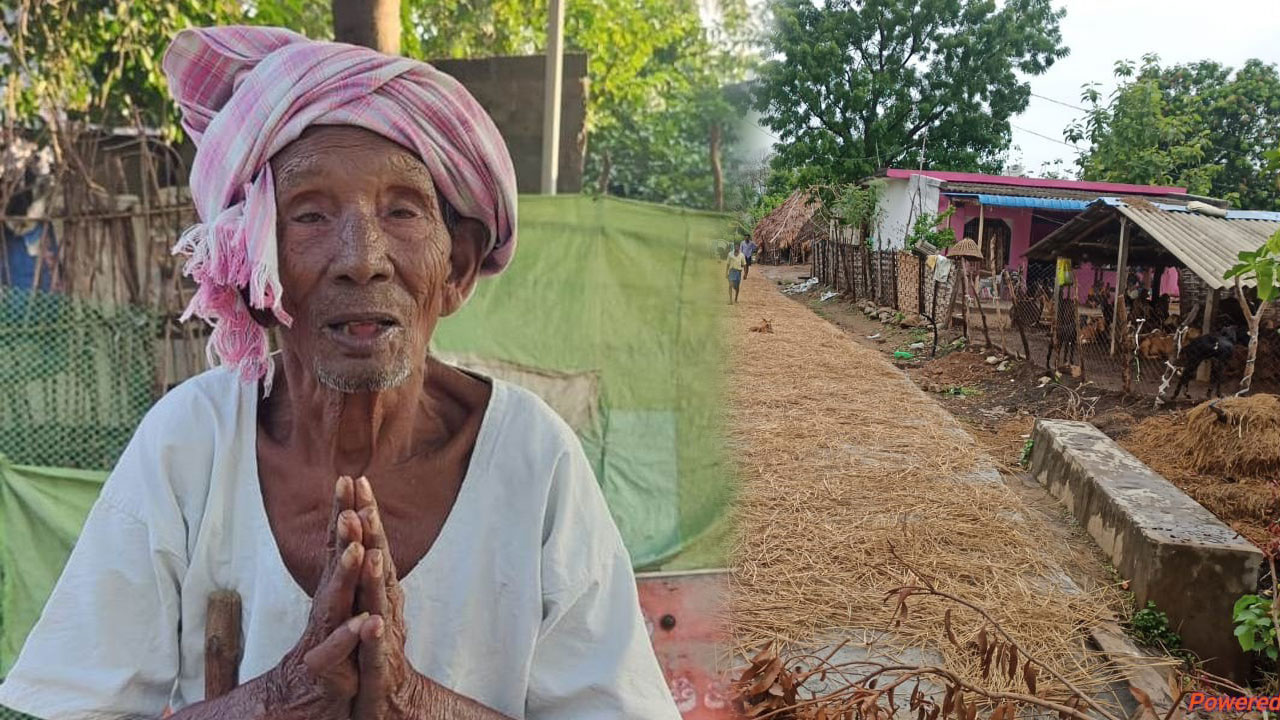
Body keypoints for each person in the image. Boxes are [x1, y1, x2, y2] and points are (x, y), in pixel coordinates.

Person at [0, 27, 680, 720]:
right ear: (253, 272)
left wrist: (415, 702)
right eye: (312, 215)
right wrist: (279, 699)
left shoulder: (534, 460)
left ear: (458, 267)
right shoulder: (190, 444)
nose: (362, 258)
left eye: (402, 211)